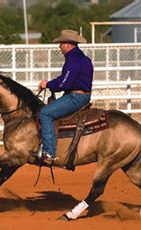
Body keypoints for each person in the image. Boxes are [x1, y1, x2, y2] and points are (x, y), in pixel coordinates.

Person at [34, 29, 94, 165]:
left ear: (67, 44)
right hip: (80, 95)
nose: (59, 47)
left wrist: (47, 84)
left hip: (76, 97)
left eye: (61, 43)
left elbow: (64, 82)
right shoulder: (83, 58)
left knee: (45, 114)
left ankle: (49, 152)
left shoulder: (73, 59)